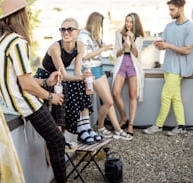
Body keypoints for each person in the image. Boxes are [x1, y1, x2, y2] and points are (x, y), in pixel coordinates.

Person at [0, 0, 94, 183]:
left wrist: (46, 81)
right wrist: (50, 96)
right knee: (56, 140)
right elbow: (26, 85)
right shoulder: (17, 42)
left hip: (7, 103)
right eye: (26, 12)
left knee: (55, 137)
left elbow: (17, 80)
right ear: (21, 16)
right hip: (23, 104)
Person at [35, 17, 102, 145]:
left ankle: (85, 125)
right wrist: (83, 77)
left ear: (78, 32)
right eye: (63, 29)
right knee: (73, 85)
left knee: (82, 83)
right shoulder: (55, 47)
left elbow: (77, 73)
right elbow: (65, 76)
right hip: (45, 78)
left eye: (70, 29)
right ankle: (80, 127)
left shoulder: (80, 46)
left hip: (59, 77)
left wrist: (86, 77)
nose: (66, 32)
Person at [78, 12, 133, 141]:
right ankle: (101, 126)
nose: (101, 27)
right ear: (97, 23)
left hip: (99, 68)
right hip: (90, 70)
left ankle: (118, 130)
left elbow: (97, 49)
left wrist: (105, 47)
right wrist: (102, 49)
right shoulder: (83, 36)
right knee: (108, 101)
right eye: (101, 24)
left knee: (109, 102)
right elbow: (85, 56)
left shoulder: (94, 36)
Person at [143, 0, 193, 136]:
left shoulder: (190, 27)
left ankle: (158, 125)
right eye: (169, 9)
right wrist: (159, 44)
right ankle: (181, 126)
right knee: (176, 98)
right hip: (168, 67)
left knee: (165, 96)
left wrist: (168, 45)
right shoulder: (169, 26)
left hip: (178, 70)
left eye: (172, 10)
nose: (170, 12)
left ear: (181, 8)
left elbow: (187, 50)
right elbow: (163, 42)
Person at [111, 12, 145, 136]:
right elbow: (115, 53)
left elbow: (137, 55)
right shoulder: (119, 34)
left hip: (133, 65)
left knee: (133, 94)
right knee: (115, 92)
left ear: (135, 24)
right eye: (127, 21)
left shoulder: (139, 36)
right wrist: (123, 46)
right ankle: (124, 117)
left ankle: (130, 125)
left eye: (131, 22)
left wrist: (132, 41)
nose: (128, 24)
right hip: (121, 63)